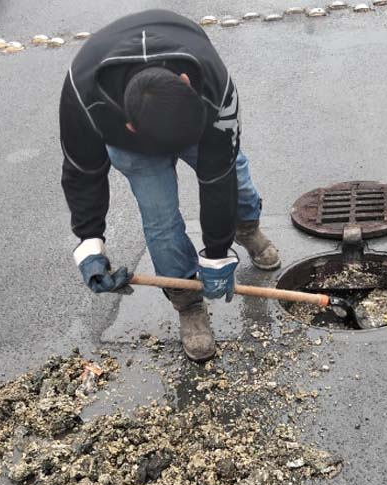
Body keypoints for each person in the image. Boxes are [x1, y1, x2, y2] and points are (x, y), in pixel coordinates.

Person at [60, 9, 281, 362]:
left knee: (234, 177)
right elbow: (82, 171)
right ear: (131, 128)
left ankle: (248, 227)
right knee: (160, 219)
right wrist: (89, 243)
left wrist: (218, 252)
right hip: (132, 145)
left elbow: (216, 177)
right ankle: (187, 302)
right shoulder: (83, 96)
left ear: (185, 80)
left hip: (198, 121)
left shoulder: (213, 83)